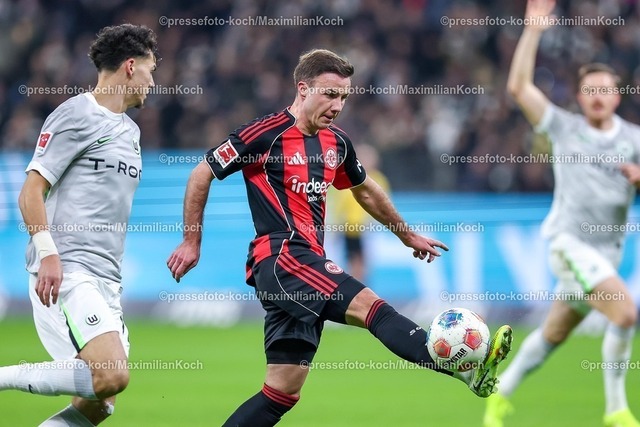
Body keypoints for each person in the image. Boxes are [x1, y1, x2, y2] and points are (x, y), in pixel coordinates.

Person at [167, 48, 513, 426]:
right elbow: (202, 172)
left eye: (344, 97)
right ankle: (466, 369)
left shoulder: (337, 143)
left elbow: (365, 191)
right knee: (373, 308)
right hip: (284, 256)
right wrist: (191, 241)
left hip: (303, 263)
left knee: (281, 393)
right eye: (330, 94)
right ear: (303, 89)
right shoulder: (264, 134)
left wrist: (406, 235)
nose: (337, 105)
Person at [484, 1, 640, 427]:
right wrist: (533, 30)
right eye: (590, 90)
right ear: (579, 97)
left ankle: (498, 393)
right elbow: (519, 88)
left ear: (617, 95)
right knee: (625, 313)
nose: (597, 96)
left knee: (553, 334)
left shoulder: (633, 140)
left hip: (606, 254)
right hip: (569, 243)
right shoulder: (564, 128)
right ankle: (616, 410)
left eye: (604, 89)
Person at [0, 24, 157, 426]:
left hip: (107, 279)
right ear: (130, 66)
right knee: (112, 375)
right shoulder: (77, 113)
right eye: (150, 70)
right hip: (69, 269)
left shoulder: (131, 132)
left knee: (99, 402)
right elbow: (30, 192)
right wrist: (49, 255)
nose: (153, 82)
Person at [330, 144, 390, 282]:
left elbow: (384, 204)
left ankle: (361, 285)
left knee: (364, 260)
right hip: (348, 228)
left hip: (366, 229)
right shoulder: (347, 177)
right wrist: (336, 224)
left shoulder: (378, 179)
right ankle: (356, 286)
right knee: (351, 260)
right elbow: (338, 204)